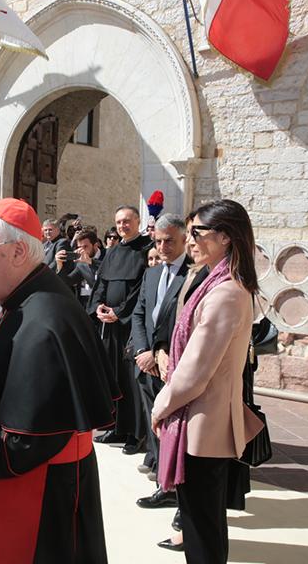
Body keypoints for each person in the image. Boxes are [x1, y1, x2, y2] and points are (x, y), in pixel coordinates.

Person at [0, 198, 118, 564]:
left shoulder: (48, 321)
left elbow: (28, 443)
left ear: (17, 252)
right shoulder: (5, 299)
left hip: (36, 497)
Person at [152, 199, 264, 564]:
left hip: (203, 422)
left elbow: (195, 372)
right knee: (203, 516)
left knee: (202, 520)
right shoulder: (217, 283)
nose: (190, 240)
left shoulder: (225, 292)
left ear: (226, 237)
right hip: (200, 417)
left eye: (197, 232)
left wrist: (160, 407)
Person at [130, 214, 205, 510]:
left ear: (185, 240)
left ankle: (178, 487)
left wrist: (158, 351)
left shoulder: (196, 274)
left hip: (173, 366)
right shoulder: (151, 274)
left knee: (175, 429)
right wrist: (142, 350)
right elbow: (139, 314)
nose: (162, 247)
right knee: (156, 428)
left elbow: (184, 324)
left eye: (169, 241)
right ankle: (164, 484)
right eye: (158, 241)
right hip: (147, 364)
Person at [90, 205, 152, 452]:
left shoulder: (146, 249)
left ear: (137, 221)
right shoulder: (113, 251)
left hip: (131, 325)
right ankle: (117, 427)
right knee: (113, 377)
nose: (122, 226)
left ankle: (136, 434)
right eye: (118, 222)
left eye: (127, 221)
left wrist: (120, 312)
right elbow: (101, 284)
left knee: (131, 380)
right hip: (110, 326)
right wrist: (98, 306)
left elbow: (141, 288)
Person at [56, 227, 104, 310]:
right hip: (84, 303)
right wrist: (59, 265)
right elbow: (67, 282)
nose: (82, 250)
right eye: (79, 247)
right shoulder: (81, 263)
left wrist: (91, 262)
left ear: (95, 245)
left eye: (85, 246)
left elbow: (106, 275)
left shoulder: (107, 255)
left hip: (102, 303)